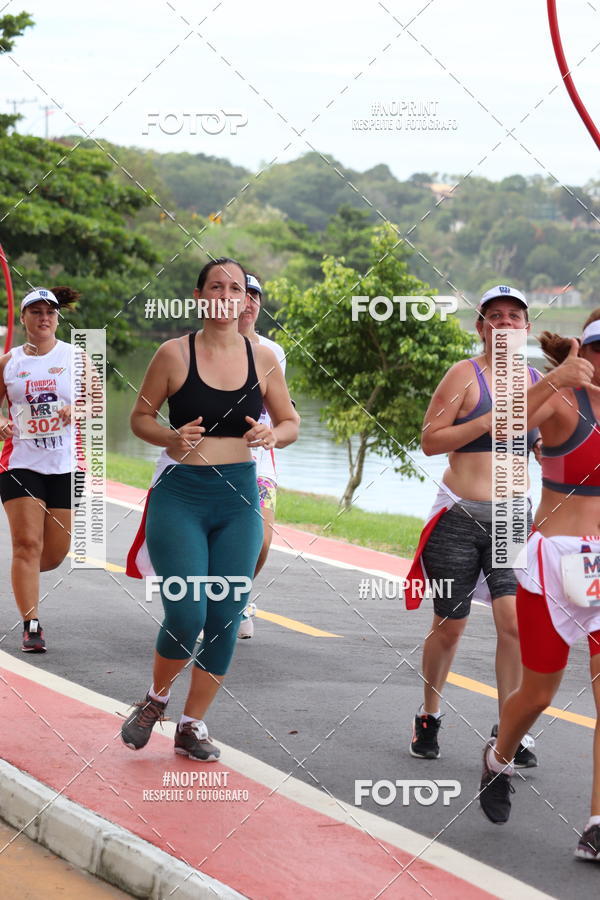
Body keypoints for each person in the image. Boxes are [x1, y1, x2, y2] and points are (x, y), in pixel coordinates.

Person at [121, 258, 299, 761]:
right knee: (186, 610)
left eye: (235, 288)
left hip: (239, 498)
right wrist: (170, 437)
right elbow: (139, 418)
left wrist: (273, 434)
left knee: (224, 615)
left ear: (246, 301)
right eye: (215, 286)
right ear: (199, 297)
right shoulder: (173, 354)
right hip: (181, 494)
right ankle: (156, 700)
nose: (226, 294)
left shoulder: (263, 358)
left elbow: (290, 422)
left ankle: (192, 725)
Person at [479, 311, 600, 861]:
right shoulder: (559, 401)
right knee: (539, 694)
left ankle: (596, 823)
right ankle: (499, 757)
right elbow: (503, 429)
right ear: (584, 350)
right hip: (552, 564)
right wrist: (557, 377)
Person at [405, 285, 541, 765]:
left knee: (514, 625)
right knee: (450, 626)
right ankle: (429, 715)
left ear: (525, 327)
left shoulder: (536, 381)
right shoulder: (463, 375)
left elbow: (547, 448)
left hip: (511, 517)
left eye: (513, 316)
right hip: (458, 517)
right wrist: (485, 423)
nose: (504, 324)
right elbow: (430, 441)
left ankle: (508, 729)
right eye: (495, 316)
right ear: (480, 326)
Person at [0, 286, 79, 652]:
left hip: (62, 465)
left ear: (57, 318)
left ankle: (23, 572)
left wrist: (74, 411)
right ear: (24, 319)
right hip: (19, 463)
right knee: (27, 544)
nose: (44, 318)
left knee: (53, 553)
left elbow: (95, 402)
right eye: (36, 312)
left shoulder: (75, 357)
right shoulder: (9, 362)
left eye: (50, 312)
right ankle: (32, 624)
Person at [236, 272, 298, 638]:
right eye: (242, 295)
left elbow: (280, 406)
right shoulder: (205, 348)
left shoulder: (274, 352)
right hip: (216, 459)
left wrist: (281, 424)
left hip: (260, 459)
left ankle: (238, 595)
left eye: (255, 296)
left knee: (260, 541)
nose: (249, 302)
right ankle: (216, 601)